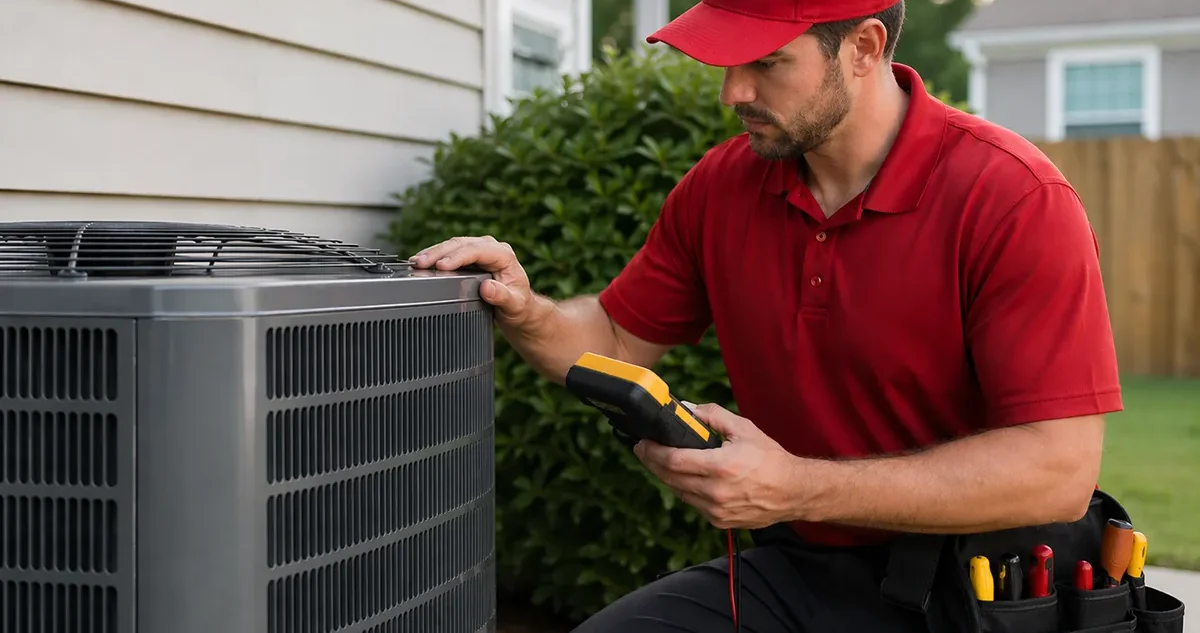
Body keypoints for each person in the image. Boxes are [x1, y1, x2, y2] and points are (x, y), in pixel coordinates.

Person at [410, 0, 1123, 630]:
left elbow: (1056, 470)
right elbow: (616, 339)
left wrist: (796, 485)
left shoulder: (1013, 199)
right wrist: (524, 308)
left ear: (864, 47)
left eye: (767, 62)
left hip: (986, 588)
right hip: (800, 568)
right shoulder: (720, 188)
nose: (733, 91)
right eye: (728, 62)